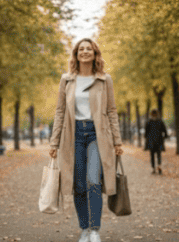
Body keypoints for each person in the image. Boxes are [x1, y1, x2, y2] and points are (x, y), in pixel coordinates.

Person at [50, 39, 125, 242]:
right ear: (76, 54)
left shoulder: (104, 79)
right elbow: (60, 111)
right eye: (81, 49)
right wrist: (53, 142)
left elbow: (111, 111)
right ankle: (84, 228)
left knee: (93, 181)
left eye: (88, 49)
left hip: (96, 135)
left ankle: (94, 229)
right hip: (73, 136)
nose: (85, 52)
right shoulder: (66, 80)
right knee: (79, 184)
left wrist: (117, 141)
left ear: (94, 53)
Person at [144, 109, 168, 174]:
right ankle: (159, 165)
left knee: (152, 155)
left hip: (151, 141)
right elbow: (164, 130)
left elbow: (146, 132)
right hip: (159, 140)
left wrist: (146, 139)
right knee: (159, 154)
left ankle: (153, 168)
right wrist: (165, 136)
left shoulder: (148, 121)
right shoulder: (160, 121)